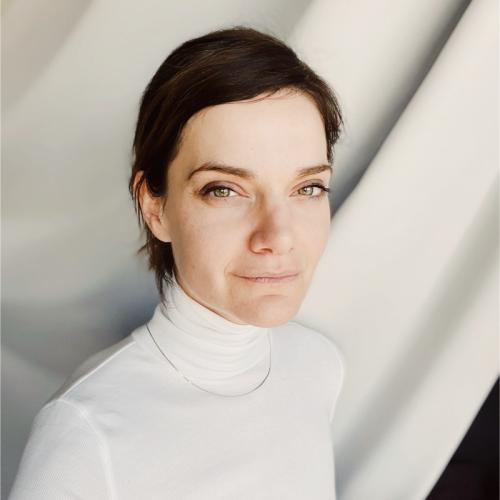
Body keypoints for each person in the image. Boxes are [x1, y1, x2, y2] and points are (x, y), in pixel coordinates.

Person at [8, 25, 346, 499]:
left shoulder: (318, 365)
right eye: (224, 190)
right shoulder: (86, 432)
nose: (278, 237)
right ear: (155, 206)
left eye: (307, 188)